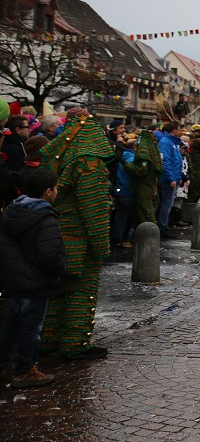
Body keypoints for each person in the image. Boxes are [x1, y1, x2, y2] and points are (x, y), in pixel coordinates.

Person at [38, 110, 113, 361]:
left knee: (57, 290)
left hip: (55, 234)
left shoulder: (58, 154)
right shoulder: (88, 162)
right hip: (79, 238)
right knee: (81, 291)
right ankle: (74, 343)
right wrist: (101, 245)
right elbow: (93, 208)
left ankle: (48, 341)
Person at [0, 168, 65, 388]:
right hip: (36, 282)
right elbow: (49, 254)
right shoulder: (45, 217)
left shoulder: (12, 210)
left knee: (11, 324)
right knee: (31, 328)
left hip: (15, 280)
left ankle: (2, 365)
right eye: (55, 189)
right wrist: (59, 270)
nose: (56, 192)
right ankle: (25, 370)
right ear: (47, 192)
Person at [156, 122, 184, 238]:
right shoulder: (166, 142)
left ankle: (162, 225)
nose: (180, 131)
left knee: (167, 203)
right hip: (168, 179)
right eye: (179, 129)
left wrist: (179, 177)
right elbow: (165, 161)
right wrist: (171, 178)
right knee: (166, 203)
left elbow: (176, 161)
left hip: (173, 177)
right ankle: (162, 227)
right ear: (174, 130)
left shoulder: (173, 142)